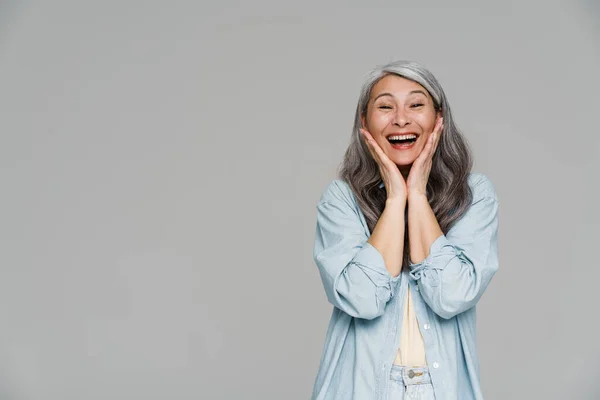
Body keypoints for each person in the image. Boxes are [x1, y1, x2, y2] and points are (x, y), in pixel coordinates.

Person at [311, 60, 499, 400]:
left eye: (416, 104)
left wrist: (417, 195)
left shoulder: (474, 195)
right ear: (364, 121)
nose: (401, 119)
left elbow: (452, 295)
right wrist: (396, 199)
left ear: (438, 118)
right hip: (358, 389)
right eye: (385, 106)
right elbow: (362, 299)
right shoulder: (341, 199)